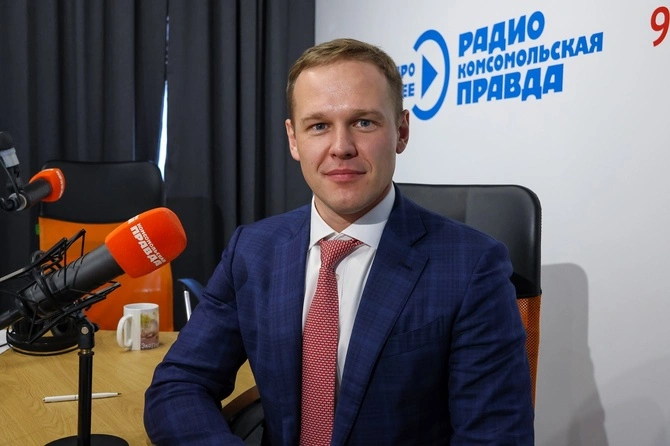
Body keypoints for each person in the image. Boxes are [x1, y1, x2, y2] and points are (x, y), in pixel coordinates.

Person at [144, 38, 534, 445]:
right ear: (293, 139)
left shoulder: (472, 266)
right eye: (319, 126)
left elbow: (494, 437)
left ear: (401, 132)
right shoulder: (253, 250)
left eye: (363, 122)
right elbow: (180, 383)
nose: (341, 148)